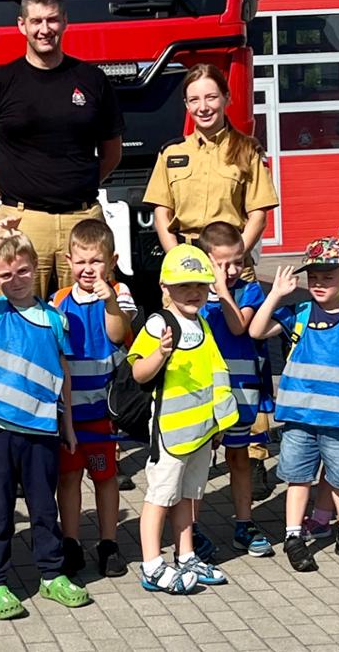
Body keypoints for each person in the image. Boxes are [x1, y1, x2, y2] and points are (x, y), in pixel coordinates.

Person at [0, 0, 124, 296]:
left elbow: (112, 152)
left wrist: (77, 184)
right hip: (21, 221)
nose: (44, 29)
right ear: (21, 25)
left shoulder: (93, 81)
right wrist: (11, 192)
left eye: (52, 20)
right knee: (13, 315)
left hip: (82, 222)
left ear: (65, 21)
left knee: (90, 314)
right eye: (36, 21)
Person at [0, 213, 89, 619]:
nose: (15, 280)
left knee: (44, 509)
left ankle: (52, 575)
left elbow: (62, 374)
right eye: (5, 274)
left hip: (42, 430)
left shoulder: (55, 319)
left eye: (22, 271)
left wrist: (67, 425)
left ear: (35, 267)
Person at [248, 240, 339, 572]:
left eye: (328, 276)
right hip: (299, 419)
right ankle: (293, 537)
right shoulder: (299, 313)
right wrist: (275, 295)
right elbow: (256, 330)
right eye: (314, 277)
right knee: (298, 478)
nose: (319, 283)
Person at [131, 245, 239, 594]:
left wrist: (219, 423)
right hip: (169, 434)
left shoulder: (202, 323)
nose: (194, 292)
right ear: (165, 287)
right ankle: (151, 565)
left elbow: (214, 375)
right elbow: (138, 371)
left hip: (201, 432)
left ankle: (186, 555)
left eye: (200, 285)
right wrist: (159, 354)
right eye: (184, 286)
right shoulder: (158, 323)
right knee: (159, 497)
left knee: (186, 497)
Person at [51, 219, 135, 579]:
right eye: (81, 261)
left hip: (102, 411)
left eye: (96, 261)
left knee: (105, 476)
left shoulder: (119, 292)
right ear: (68, 261)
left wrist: (110, 302)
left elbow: (118, 334)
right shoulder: (58, 300)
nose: (88, 269)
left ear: (111, 261)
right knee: (68, 478)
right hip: (69, 412)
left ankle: (108, 542)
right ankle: (70, 541)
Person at [195, 222, 275, 558]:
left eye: (237, 262)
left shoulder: (249, 291)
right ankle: (191, 530)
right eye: (221, 264)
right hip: (203, 391)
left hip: (241, 389)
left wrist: (222, 291)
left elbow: (238, 325)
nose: (230, 271)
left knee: (239, 457)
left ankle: (245, 523)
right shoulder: (194, 293)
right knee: (198, 462)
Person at [143, 63, 279, 252]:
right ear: (187, 105)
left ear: (226, 98)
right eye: (194, 100)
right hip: (187, 258)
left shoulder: (248, 150)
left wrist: (233, 258)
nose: (203, 107)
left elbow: (258, 216)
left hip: (232, 258)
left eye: (211, 97)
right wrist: (177, 258)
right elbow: (161, 214)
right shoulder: (171, 153)